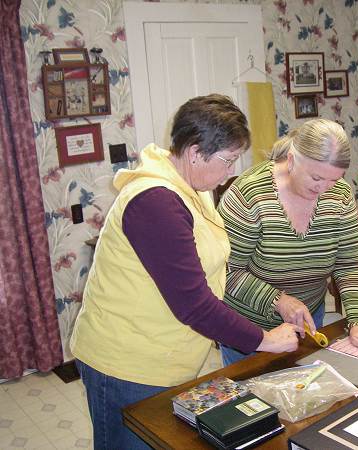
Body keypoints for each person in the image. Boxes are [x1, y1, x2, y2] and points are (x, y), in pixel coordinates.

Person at [70, 95, 300, 450]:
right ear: (195, 153)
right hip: (125, 365)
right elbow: (193, 304)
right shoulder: (155, 202)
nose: (231, 171)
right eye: (228, 161)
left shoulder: (191, 184)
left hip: (164, 354)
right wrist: (265, 340)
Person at [217, 118, 358, 366]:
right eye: (316, 178)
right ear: (291, 160)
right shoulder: (250, 195)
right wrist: (278, 300)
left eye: (334, 179)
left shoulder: (340, 196)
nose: (324, 188)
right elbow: (226, 271)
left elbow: (350, 264)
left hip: (308, 322)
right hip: (250, 330)